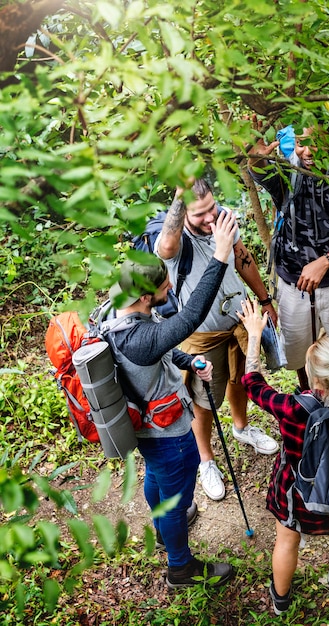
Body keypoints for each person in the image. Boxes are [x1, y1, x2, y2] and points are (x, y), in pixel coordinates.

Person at [101, 210, 238, 589]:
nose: (169, 293)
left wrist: (188, 360)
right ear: (145, 297)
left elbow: (160, 347)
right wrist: (221, 254)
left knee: (158, 478)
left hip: (144, 428)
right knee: (177, 495)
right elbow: (189, 318)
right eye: (162, 291)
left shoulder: (115, 307)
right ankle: (181, 567)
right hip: (168, 433)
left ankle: (162, 530)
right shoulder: (139, 340)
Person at [237, 299, 329, 615]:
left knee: (287, 541)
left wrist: (254, 337)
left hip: (297, 491)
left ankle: (281, 602)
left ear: (313, 376)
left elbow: (253, 385)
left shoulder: (294, 409)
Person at [156, 177, 279, 502]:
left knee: (240, 380)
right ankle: (206, 460)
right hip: (201, 334)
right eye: (201, 215)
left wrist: (265, 300)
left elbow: (241, 257)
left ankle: (241, 427)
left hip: (237, 322)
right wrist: (181, 197)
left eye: (212, 208)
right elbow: (166, 246)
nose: (211, 219)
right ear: (184, 213)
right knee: (204, 399)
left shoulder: (222, 220)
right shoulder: (175, 240)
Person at [248, 121, 329, 391]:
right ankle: (309, 398)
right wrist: (255, 159)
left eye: (315, 143)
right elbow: (263, 174)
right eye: (300, 143)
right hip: (292, 280)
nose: (307, 151)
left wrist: (326, 261)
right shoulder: (290, 169)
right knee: (297, 353)